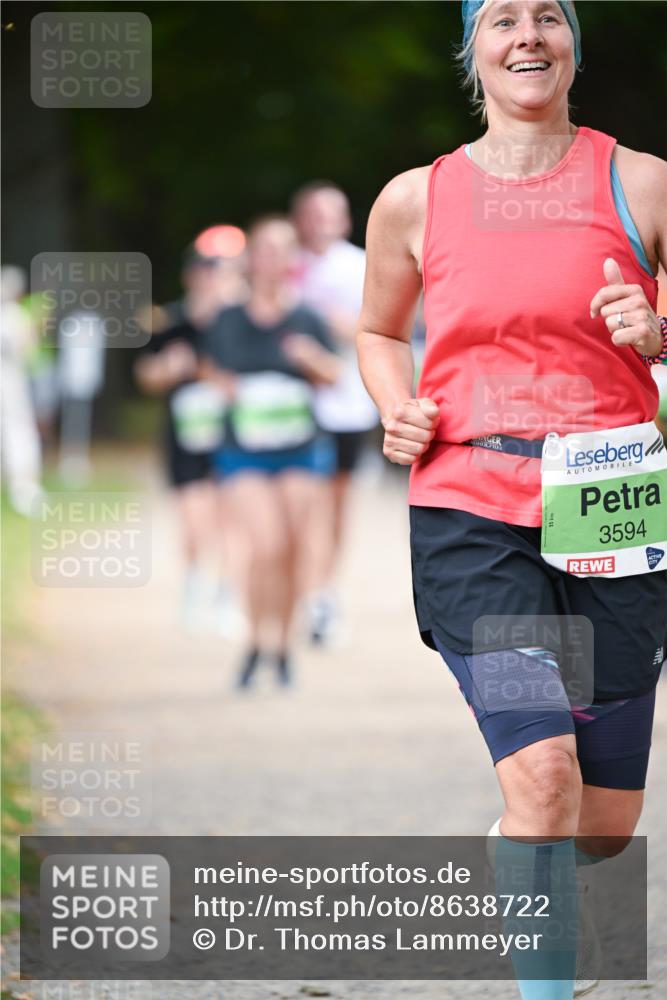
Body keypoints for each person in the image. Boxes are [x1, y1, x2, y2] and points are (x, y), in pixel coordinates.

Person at [357, 3, 667, 998]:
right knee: (543, 778)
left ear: (574, 42)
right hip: (469, 509)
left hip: (611, 510)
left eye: (548, 16)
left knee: (602, 823)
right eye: (502, 19)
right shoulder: (416, 198)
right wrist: (396, 405)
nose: (527, 36)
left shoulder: (644, 183)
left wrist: (657, 338)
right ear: (472, 49)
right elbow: (375, 332)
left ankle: (527, 853)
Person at [200, 216, 340, 687]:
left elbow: (334, 375)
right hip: (244, 449)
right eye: (264, 250)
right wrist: (231, 389)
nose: (272, 259)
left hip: (299, 448)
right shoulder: (228, 316)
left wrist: (309, 360)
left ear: (292, 261)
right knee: (265, 546)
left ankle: (281, 645)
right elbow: (209, 369)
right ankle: (255, 638)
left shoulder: (307, 317)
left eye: (283, 251)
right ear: (251, 259)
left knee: (293, 550)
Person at [134, 238, 247, 629]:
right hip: (185, 434)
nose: (209, 279)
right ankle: (196, 587)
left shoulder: (239, 321)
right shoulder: (170, 321)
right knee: (194, 517)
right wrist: (168, 369)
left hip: (232, 432)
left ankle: (228, 595)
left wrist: (210, 374)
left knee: (231, 517)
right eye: (202, 270)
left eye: (217, 271)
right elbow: (145, 375)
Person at [292, 183, 378, 644]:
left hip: (346, 405)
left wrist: (316, 319)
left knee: (337, 507)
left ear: (344, 220)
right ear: (299, 220)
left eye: (331, 214)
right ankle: (301, 592)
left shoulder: (359, 265)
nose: (321, 222)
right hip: (294, 408)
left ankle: (326, 594)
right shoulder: (285, 265)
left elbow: (374, 330)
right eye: (312, 214)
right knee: (300, 504)